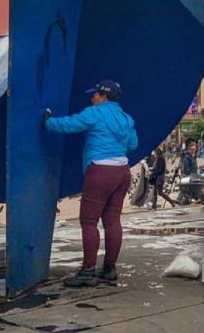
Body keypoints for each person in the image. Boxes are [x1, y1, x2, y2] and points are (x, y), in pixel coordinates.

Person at [44, 79, 138, 288]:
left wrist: (47, 122)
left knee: (89, 222)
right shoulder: (126, 118)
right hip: (122, 171)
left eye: (95, 94)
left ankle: (88, 271)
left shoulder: (95, 113)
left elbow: (70, 124)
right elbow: (133, 144)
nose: (92, 97)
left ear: (103, 96)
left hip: (100, 170)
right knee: (112, 221)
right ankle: (109, 269)